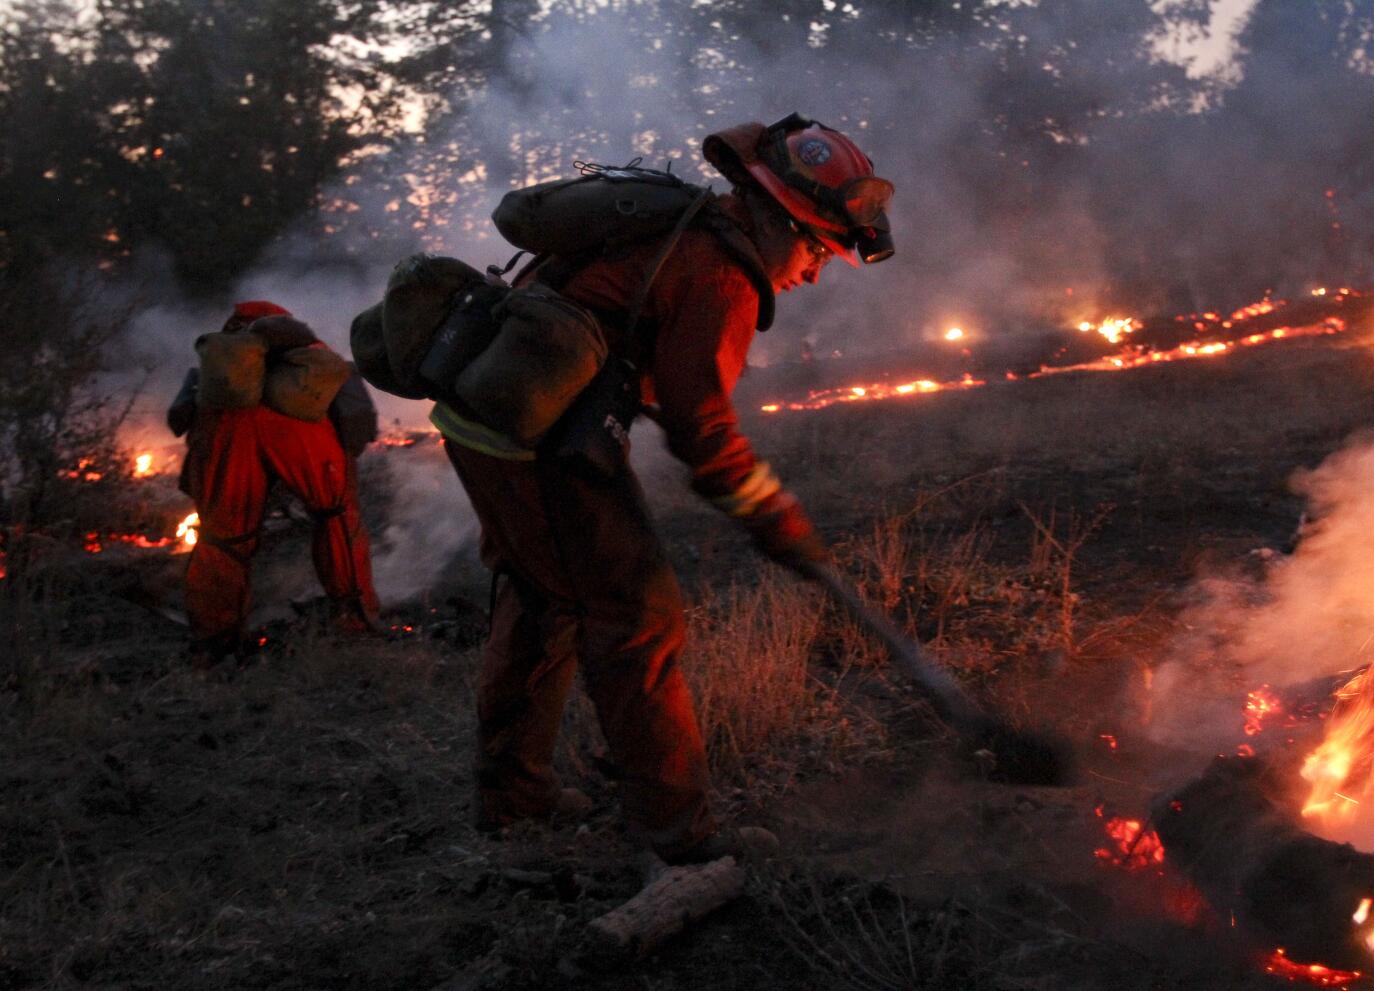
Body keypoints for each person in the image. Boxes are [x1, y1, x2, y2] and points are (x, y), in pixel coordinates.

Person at [433, 114, 894, 864]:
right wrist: (776, 517)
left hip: (486, 415)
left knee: (546, 595)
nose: (814, 271)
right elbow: (701, 426)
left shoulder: (679, 227)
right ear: (781, 220)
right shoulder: (720, 273)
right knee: (637, 614)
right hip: (534, 441)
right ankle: (678, 836)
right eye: (818, 249)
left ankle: (513, 800)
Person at [168, 300, 382, 669]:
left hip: (226, 428)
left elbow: (179, 419)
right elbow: (358, 425)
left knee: (223, 535)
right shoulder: (316, 363)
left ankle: (216, 640)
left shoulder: (224, 370)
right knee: (336, 517)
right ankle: (354, 620)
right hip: (304, 430)